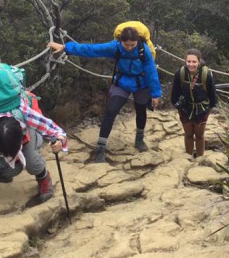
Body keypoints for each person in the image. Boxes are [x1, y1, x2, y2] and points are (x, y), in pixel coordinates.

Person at [48, 26, 162, 163]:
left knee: (141, 108)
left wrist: (155, 93)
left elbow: (151, 71)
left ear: (137, 41)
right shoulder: (114, 47)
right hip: (122, 81)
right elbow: (91, 49)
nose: (130, 48)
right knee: (111, 110)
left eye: (133, 45)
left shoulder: (144, 50)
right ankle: (101, 147)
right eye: (127, 45)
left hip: (141, 82)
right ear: (121, 41)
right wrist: (65, 47)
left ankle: (139, 139)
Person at [171, 48, 217, 158]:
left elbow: (212, 95)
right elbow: (174, 93)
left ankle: (200, 157)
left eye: (194, 62)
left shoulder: (206, 74)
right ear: (185, 61)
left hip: (201, 109)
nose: (191, 64)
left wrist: (208, 109)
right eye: (189, 61)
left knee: (199, 135)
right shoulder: (180, 73)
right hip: (185, 108)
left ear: (199, 61)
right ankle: (188, 157)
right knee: (188, 134)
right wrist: (179, 106)